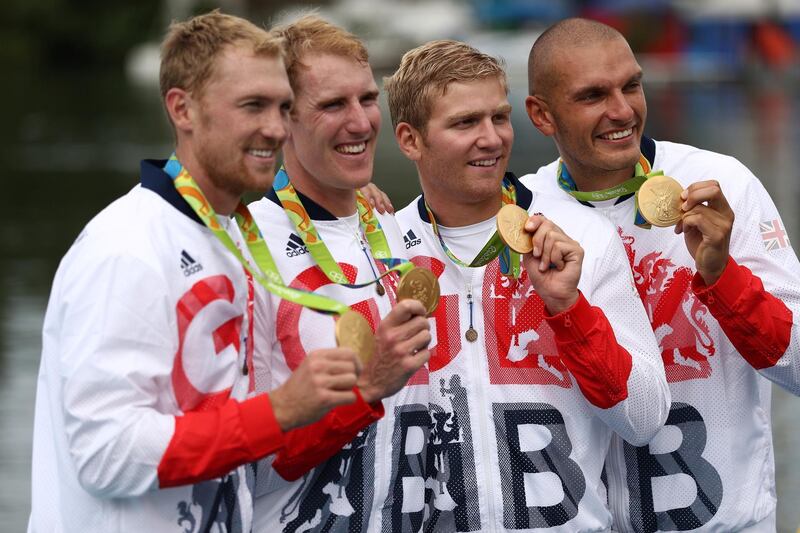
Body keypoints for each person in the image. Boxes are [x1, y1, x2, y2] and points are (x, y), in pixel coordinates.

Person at [28, 11, 378, 532]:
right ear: (182, 108)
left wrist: (362, 391)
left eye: (283, 107)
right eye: (252, 106)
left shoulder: (229, 235)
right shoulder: (126, 247)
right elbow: (106, 454)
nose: (276, 128)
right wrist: (279, 410)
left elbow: (234, 438)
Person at [523, 17, 800, 532]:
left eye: (632, 85)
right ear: (541, 115)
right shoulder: (526, 212)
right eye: (593, 96)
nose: (623, 110)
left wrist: (722, 277)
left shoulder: (723, 185)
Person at [385, 39, 670, 532]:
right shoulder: (384, 250)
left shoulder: (581, 235)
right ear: (410, 140)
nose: (492, 139)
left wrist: (569, 309)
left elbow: (645, 420)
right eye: (464, 123)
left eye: (499, 117)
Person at [245, 15, 432, 532]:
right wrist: (368, 387)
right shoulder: (246, 250)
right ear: (282, 119)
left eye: (367, 99)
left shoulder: (395, 229)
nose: (361, 122)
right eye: (332, 105)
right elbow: (252, 464)